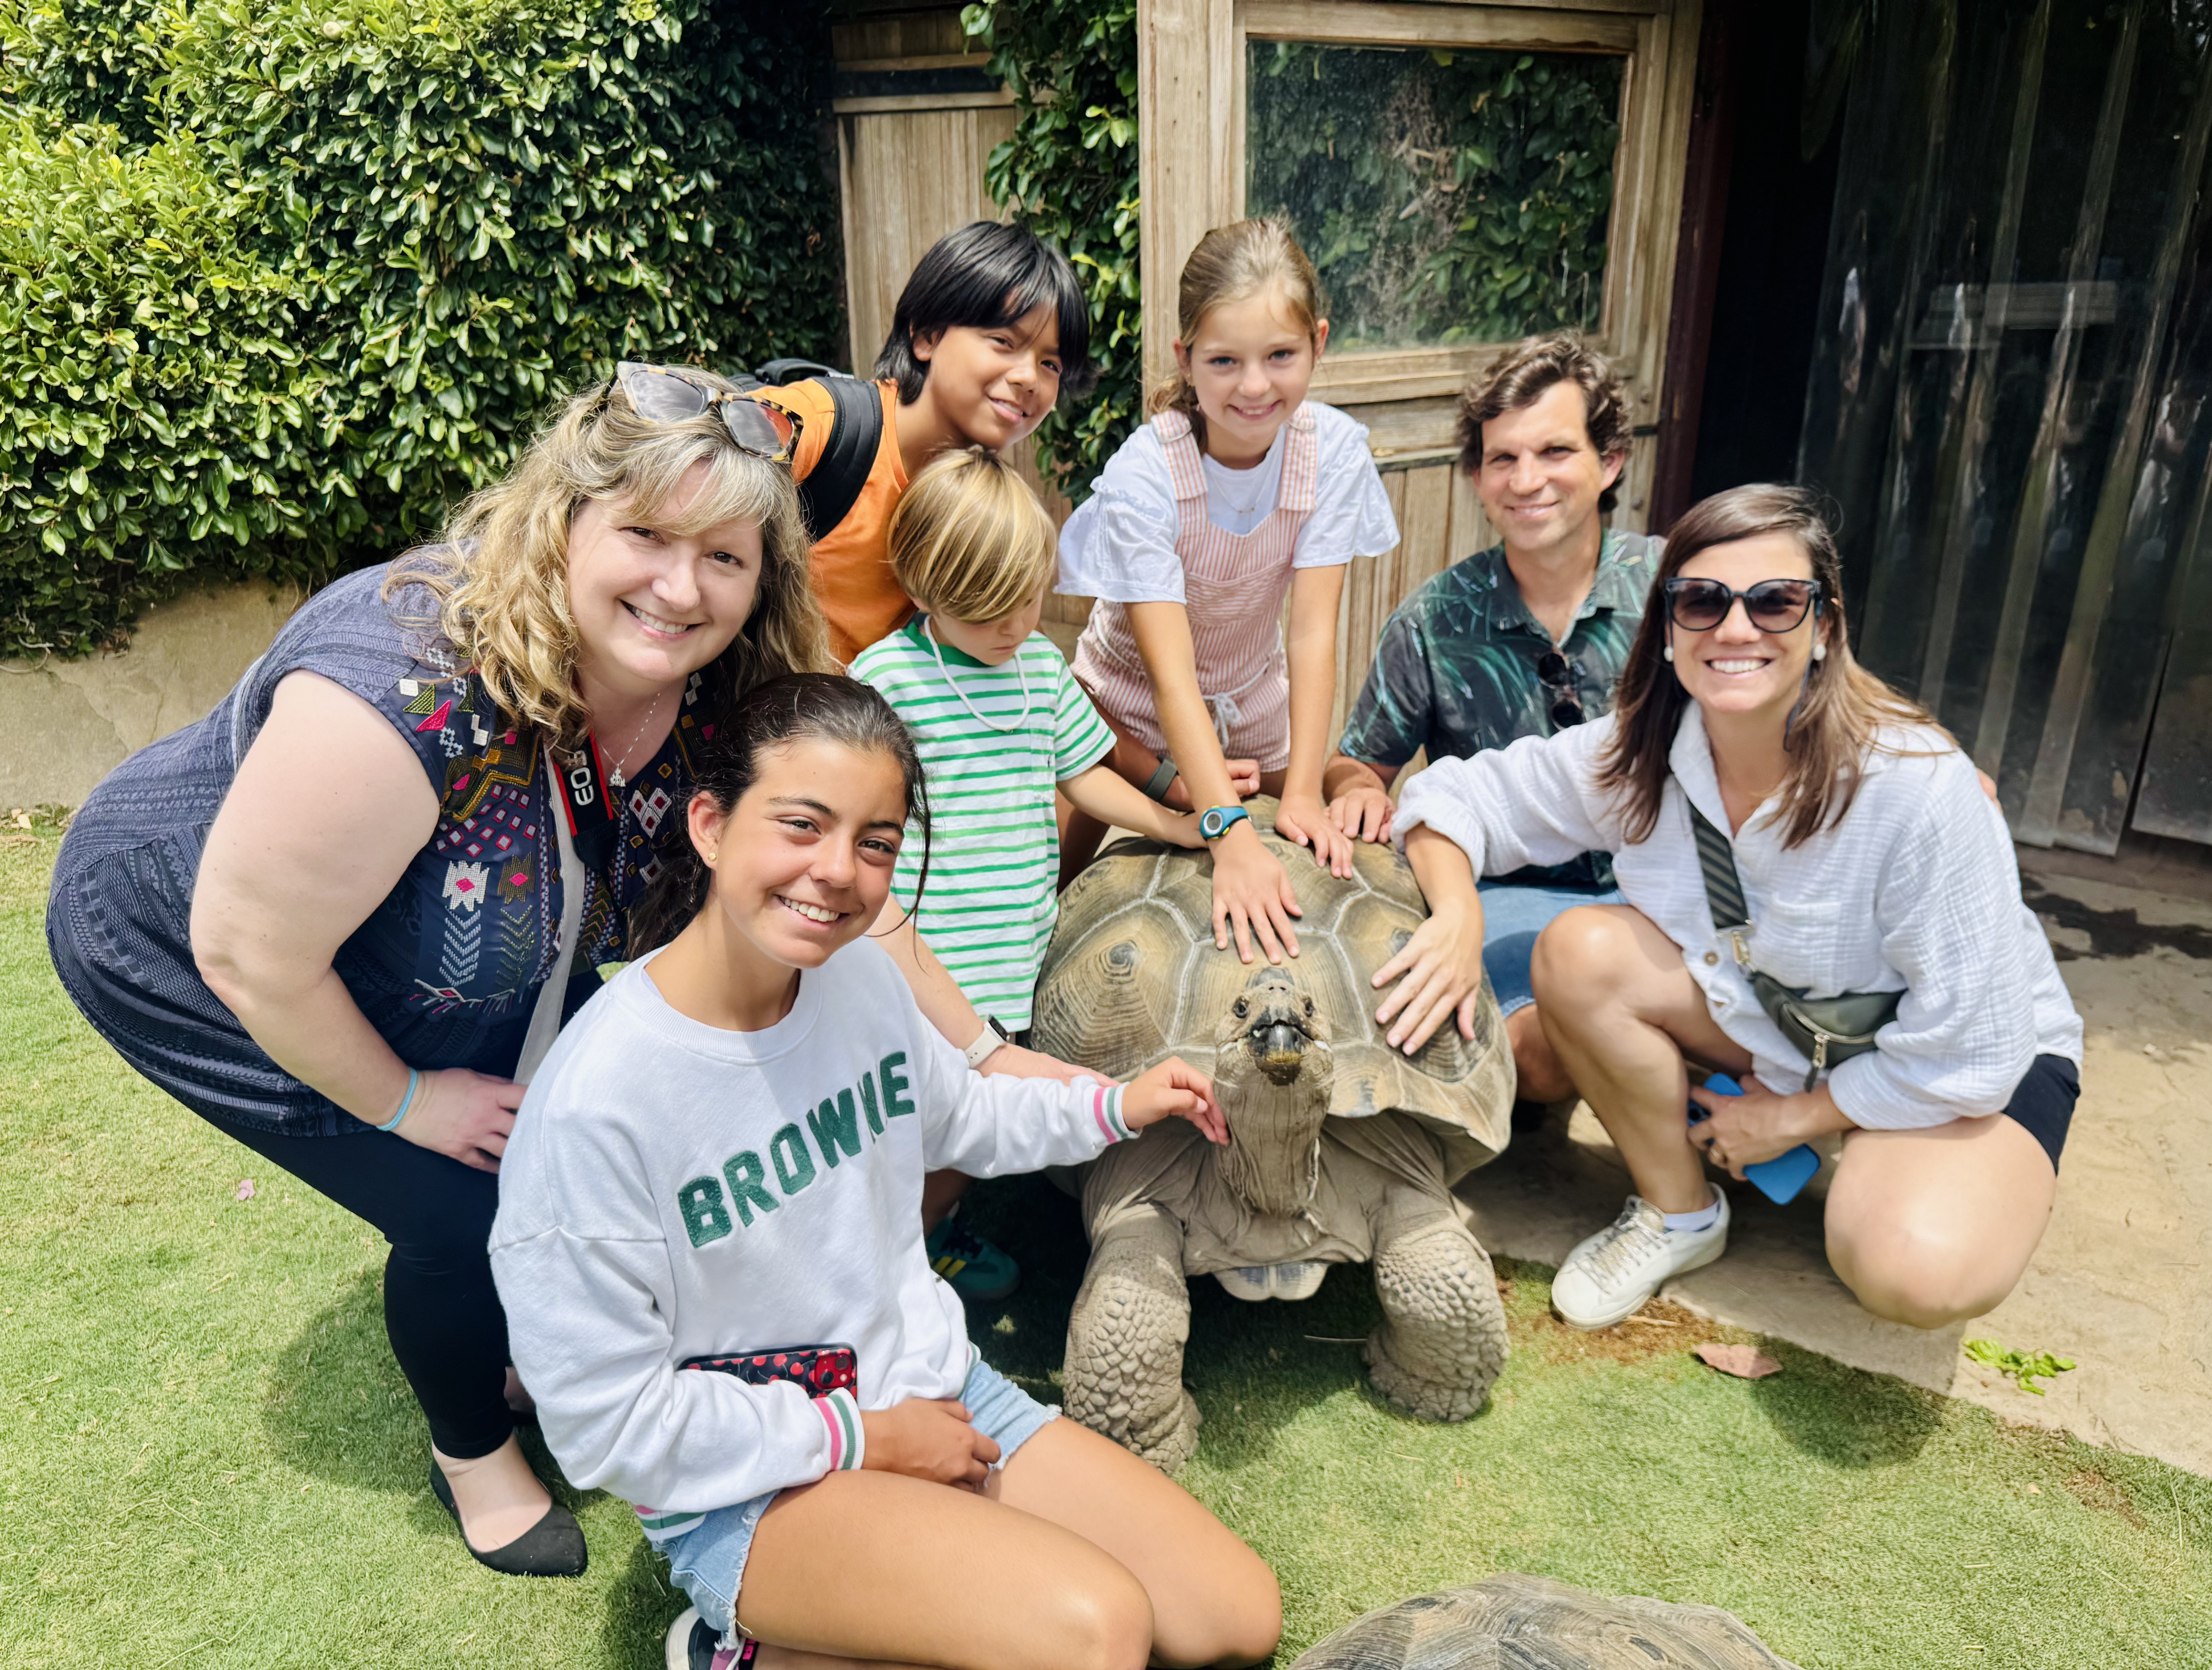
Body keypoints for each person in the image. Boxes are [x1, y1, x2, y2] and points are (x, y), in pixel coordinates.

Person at [39, 366, 1083, 1578]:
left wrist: (981, 1051)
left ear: (767, 574)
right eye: (643, 533)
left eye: (725, 556)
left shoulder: (727, 684)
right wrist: (405, 1101)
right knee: (468, 1198)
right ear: (564, 520)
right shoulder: (405, 692)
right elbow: (248, 949)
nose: (680, 586)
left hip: (443, 942)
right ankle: (474, 1449)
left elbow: (833, 880)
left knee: (557, 1143)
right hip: (194, 944)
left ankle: (546, 1349)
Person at [490, 674, 1283, 1670]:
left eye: (876, 843)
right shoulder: (597, 1105)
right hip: (754, 1482)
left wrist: (1117, 1102)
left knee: (1232, 1619)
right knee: (1098, 1635)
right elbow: (608, 1428)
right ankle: (744, 1645)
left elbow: (961, 1115)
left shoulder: (856, 977)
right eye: (801, 825)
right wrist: (864, 1439)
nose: (838, 872)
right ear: (709, 824)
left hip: (937, 1393)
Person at [1373, 485, 2081, 1333]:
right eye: (1703, 601)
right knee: (1580, 952)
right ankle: (1680, 1212)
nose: (1736, 629)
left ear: (1825, 627)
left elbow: (1977, 1050)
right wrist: (1458, 918)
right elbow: (1455, 800)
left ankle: (1874, 1150)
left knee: (1910, 1270)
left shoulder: (1917, 785)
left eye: (1776, 602)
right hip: (1782, 1014)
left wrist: (1791, 1119)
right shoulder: (1641, 751)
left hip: (1962, 1056)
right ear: (1669, 629)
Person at [852, 449, 1205, 1299]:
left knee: (972, 1129)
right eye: (986, 611)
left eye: (1027, 599)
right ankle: (883, 1267)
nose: (1013, 625)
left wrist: (1175, 824)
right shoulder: (884, 684)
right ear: (926, 587)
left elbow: (1083, 773)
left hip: (1012, 957)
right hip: (919, 968)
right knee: (923, 1129)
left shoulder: (1039, 673)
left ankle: (930, 1236)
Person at [1321, 333, 1658, 1109]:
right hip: (1506, 901)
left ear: (1610, 462)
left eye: (1554, 452)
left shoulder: (1680, 591)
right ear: (1475, 477)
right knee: (1532, 1058)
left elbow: (1805, 686)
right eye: (1503, 459)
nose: (1527, 480)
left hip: (1662, 889)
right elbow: (1355, 764)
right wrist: (1357, 791)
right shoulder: (1433, 621)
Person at [1055, 217, 1398, 961]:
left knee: (1314, 809)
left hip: (1249, 694)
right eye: (1224, 360)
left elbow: (1311, 633)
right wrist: (1227, 832)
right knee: (1050, 880)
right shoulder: (1147, 474)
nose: (1253, 385)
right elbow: (1170, 677)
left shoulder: (1331, 452)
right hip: (1124, 704)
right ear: (1184, 357)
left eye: (1280, 354)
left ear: (1319, 342)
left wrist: (1303, 790)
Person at [756, 221, 1092, 665]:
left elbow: (1016, 640)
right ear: (926, 336)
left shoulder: (985, 499)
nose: (1029, 377)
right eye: (1003, 342)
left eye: (1050, 363)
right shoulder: (820, 424)